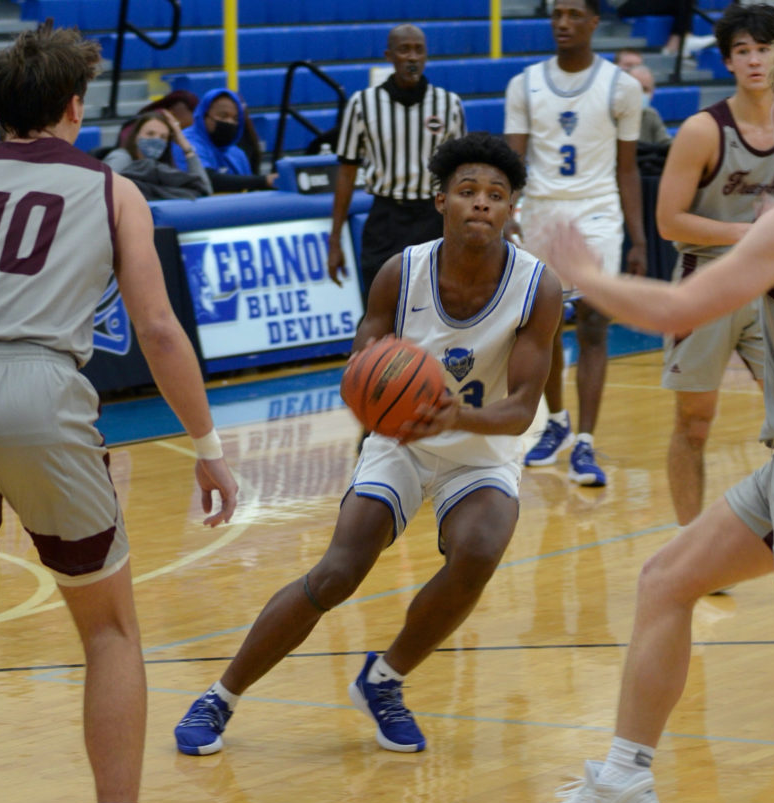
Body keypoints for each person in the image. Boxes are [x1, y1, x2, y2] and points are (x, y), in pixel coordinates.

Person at [520, 30, 774, 803]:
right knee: (667, 578)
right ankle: (623, 784)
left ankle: (624, 783)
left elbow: (674, 311)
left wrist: (583, 274)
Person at [0, 23, 238, 803]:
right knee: (110, 630)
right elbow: (158, 330)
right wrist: (206, 444)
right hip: (39, 391)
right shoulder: (110, 187)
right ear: (73, 109)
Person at [174, 132, 562, 757]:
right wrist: (381, 390)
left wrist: (454, 417)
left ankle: (384, 680)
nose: (482, 204)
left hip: (479, 441)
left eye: (496, 194)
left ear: (513, 207)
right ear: (441, 200)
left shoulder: (538, 286)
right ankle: (221, 695)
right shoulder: (400, 272)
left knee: (481, 550)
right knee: (337, 573)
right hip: (401, 438)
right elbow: (361, 365)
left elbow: (519, 411)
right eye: (468, 192)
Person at [656, 3, 774, 527]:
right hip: (706, 283)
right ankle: (690, 544)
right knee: (694, 423)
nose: (755, 60)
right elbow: (669, 222)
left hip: (772, 287)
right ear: (728, 62)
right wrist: (749, 233)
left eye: (764, 49)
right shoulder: (702, 130)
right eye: (743, 51)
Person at [505, 0, 647, 486]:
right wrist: (508, 212)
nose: (563, 23)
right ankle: (557, 423)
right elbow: (513, 161)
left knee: (592, 324)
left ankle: (585, 442)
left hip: (598, 214)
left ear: (593, 22)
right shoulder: (523, 84)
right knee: (540, 328)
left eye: (573, 14)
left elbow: (627, 168)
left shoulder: (622, 87)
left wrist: (638, 238)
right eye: (556, 14)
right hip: (541, 213)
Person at [328, 23, 466, 298]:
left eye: (419, 50)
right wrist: (335, 240)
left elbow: (460, 174)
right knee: (379, 307)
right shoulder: (362, 104)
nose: (412, 57)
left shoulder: (449, 104)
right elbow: (346, 172)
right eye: (404, 50)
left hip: (434, 218)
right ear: (389, 56)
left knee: (434, 308)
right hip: (385, 218)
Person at [174, 87, 276, 193]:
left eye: (235, 119)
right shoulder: (185, 142)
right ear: (204, 115)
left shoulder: (237, 154)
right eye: (223, 116)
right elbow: (205, 179)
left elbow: (249, 190)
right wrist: (263, 181)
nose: (229, 122)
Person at [104, 109, 212, 200]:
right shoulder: (122, 157)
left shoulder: (162, 170)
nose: (156, 140)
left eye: (163, 137)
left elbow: (205, 189)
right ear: (135, 137)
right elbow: (103, 190)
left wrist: (186, 146)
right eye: (150, 134)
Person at [628, 64, 672, 146]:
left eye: (645, 89)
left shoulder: (651, 115)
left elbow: (667, 145)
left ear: (652, 93)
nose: (640, 93)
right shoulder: (610, 116)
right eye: (635, 87)